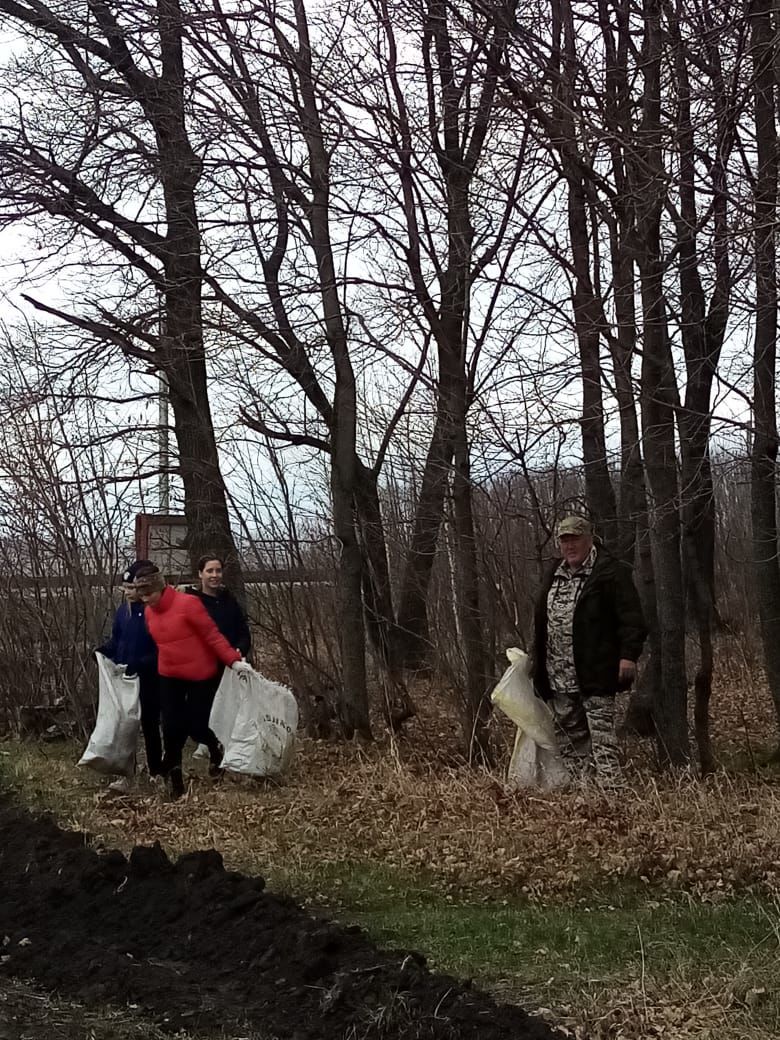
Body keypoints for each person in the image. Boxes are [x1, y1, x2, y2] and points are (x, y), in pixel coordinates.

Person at [531, 515, 647, 790]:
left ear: (589, 539)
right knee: (570, 743)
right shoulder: (554, 573)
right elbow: (541, 620)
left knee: (603, 742)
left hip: (597, 673)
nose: (569, 546)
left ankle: (612, 800)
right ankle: (585, 798)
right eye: (564, 540)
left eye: (575, 539)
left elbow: (633, 619)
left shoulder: (609, 572)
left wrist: (628, 655)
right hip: (558, 676)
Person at [132, 564, 252, 799]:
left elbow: (213, 636)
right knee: (170, 728)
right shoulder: (148, 612)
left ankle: (216, 748)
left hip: (200, 674)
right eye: (142, 595)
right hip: (169, 675)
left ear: (161, 587)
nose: (146, 600)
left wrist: (233, 661)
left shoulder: (188, 604)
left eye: (149, 594)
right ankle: (175, 783)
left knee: (196, 725)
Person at [96, 560, 162, 793]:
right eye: (126, 588)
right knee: (125, 727)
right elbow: (117, 641)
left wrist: (140, 664)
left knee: (151, 726)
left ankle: (156, 773)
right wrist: (103, 652)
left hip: (149, 679)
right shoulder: (123, 612)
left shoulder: (153, 613)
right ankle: (126, 773)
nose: (129, 593)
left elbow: (160, 648)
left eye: (133, 588)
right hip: (124, 681)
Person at [188, 555, 251, 659]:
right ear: (200, 573)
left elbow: (243, 631)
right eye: (209, 571)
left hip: (233, 664)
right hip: (204, 665)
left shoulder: (229, 600)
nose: (215, 575)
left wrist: (240, 649)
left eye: (218, 571)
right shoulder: (192, 603)